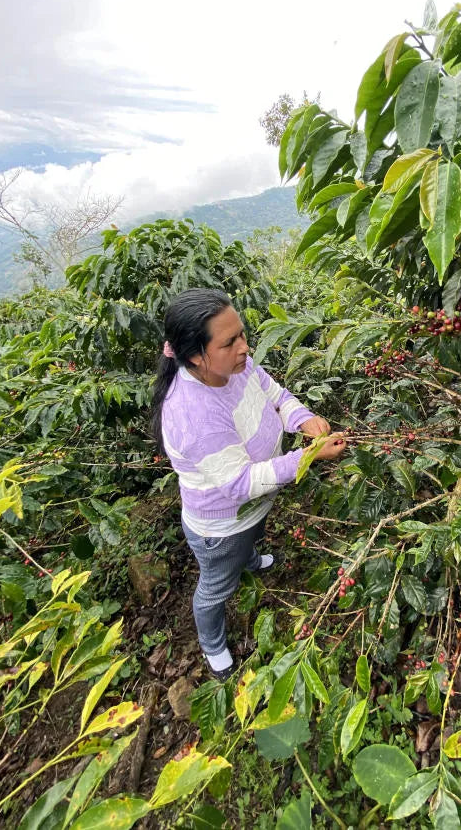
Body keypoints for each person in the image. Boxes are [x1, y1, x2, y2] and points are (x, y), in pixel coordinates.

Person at [150, 288, 346, 679]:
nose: (245, 347)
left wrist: (302, 419)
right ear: (194, 356)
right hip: (222, 528)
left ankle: (251, 560)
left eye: (241, 334)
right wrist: (306, 457)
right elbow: (240, 484)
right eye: (230, 342)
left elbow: (274, 393)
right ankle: (212, 644)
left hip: (253, 510)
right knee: (215, 587)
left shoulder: (236, 367)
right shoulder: (193, 416)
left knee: (252, 536)